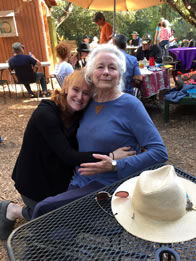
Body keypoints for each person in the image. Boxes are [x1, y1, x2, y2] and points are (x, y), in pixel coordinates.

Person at [31, 44, 168, 219]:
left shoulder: (131, 105)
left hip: (108, 187)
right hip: (78, 181)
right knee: (55, 226)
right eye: (100, 66)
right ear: (91, 72)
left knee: (45, 210)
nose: (106, 72)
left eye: (112, 68)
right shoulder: (86, 102)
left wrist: (115, 165)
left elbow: (159, 152)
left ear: (120, 75)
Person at [0, 69, 132, 240]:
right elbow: (68, 155)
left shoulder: (78, 115)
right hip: (33, 181)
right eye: (76, 90)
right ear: (66, 88)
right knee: (55, 224)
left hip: (58, 180)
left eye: (86, 93)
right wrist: (111, 156)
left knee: (66, 221)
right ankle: (14, 210)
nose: (79, 97)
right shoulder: (46, 113)